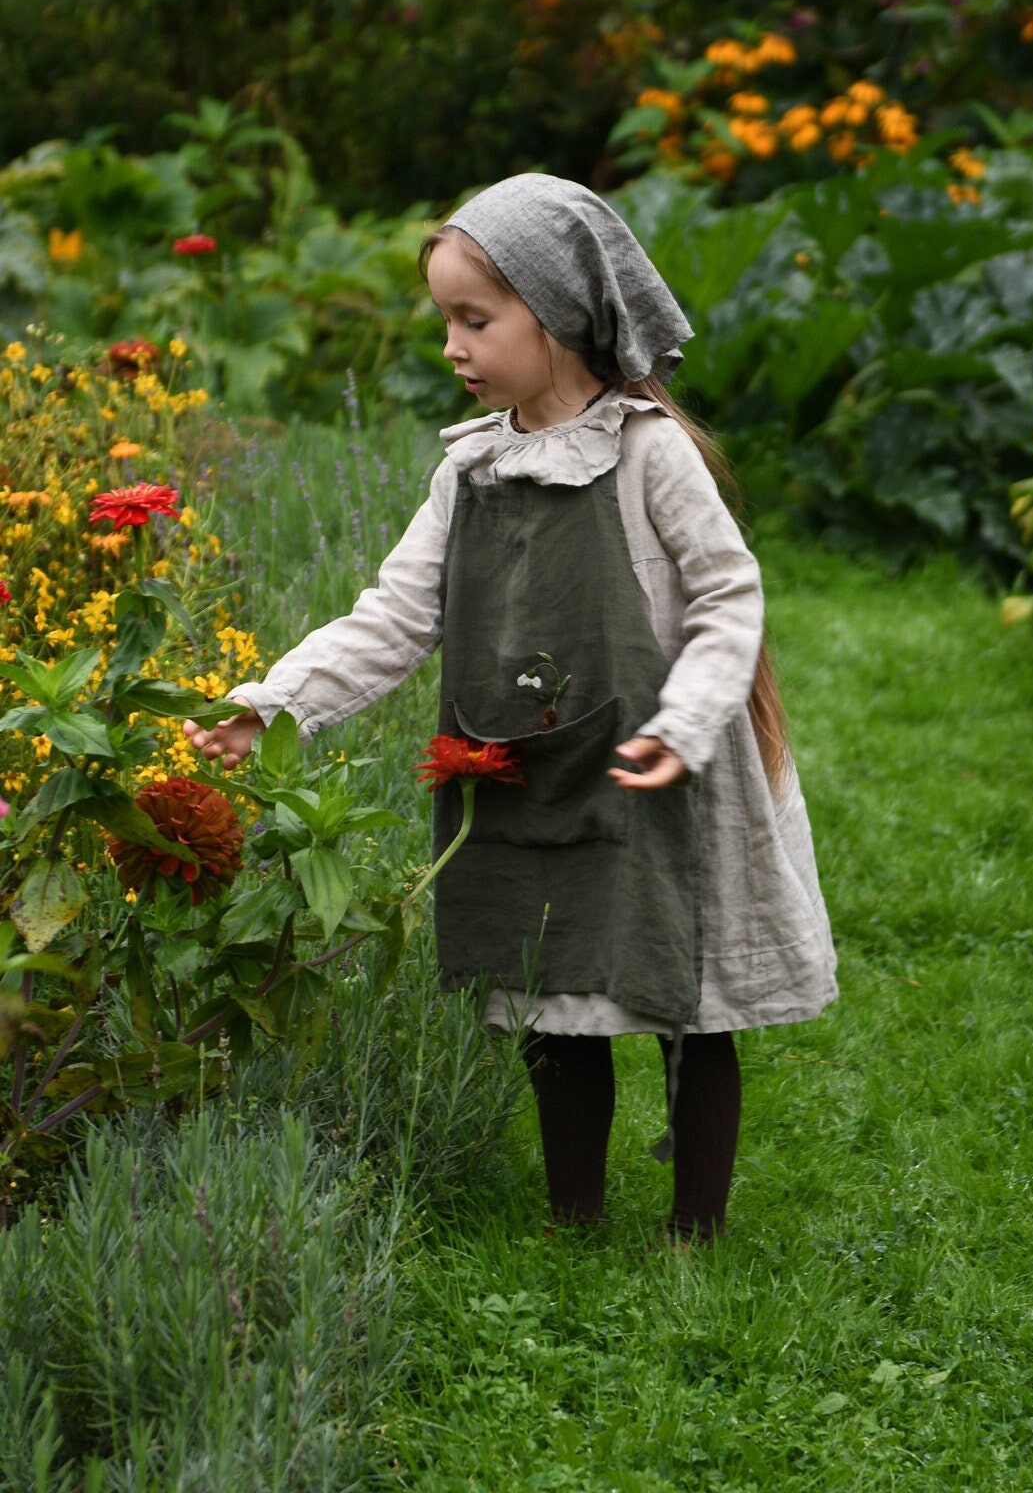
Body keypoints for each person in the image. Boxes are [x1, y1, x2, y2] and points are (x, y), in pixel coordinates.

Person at [184, 174, 837, 1242]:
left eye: (474, 319)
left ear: (561, 318)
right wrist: (277, 701)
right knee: (555, 993)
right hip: (531, 766)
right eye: (446, 318)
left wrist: (686, 721)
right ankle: (573, 1216)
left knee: (688, 994)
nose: (451, 344)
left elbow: (730, 597)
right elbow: (394, 615)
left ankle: (695, 1231)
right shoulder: (471, 468)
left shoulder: (647, 453)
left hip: (657, 766)